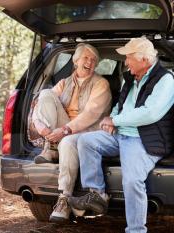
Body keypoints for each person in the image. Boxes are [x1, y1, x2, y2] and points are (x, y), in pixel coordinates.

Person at [68, 36, 174, 233]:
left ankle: (136, 230)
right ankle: (97, 194)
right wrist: (113, 119)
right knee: (85, 140)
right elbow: (120, 105)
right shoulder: (130, 78)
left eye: (128, 58)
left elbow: (150, 113)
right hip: (120, 134)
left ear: (144, 60)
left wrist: (115, 121)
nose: (125, 62)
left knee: (132, 180)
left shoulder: (165, 80)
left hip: (143, 138)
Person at [31, 43, 112, 222]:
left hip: (89, 130)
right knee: (45, 94)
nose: (90, 62)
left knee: (67, 142)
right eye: (86, 58)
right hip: (63, 128)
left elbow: (91, 115)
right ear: (76, 61)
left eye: (93, 60)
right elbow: (43, 104)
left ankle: (64, 198)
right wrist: (40, 125)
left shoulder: (101, 84)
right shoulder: (64, 82)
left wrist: (65, 130)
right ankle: (51, 145)